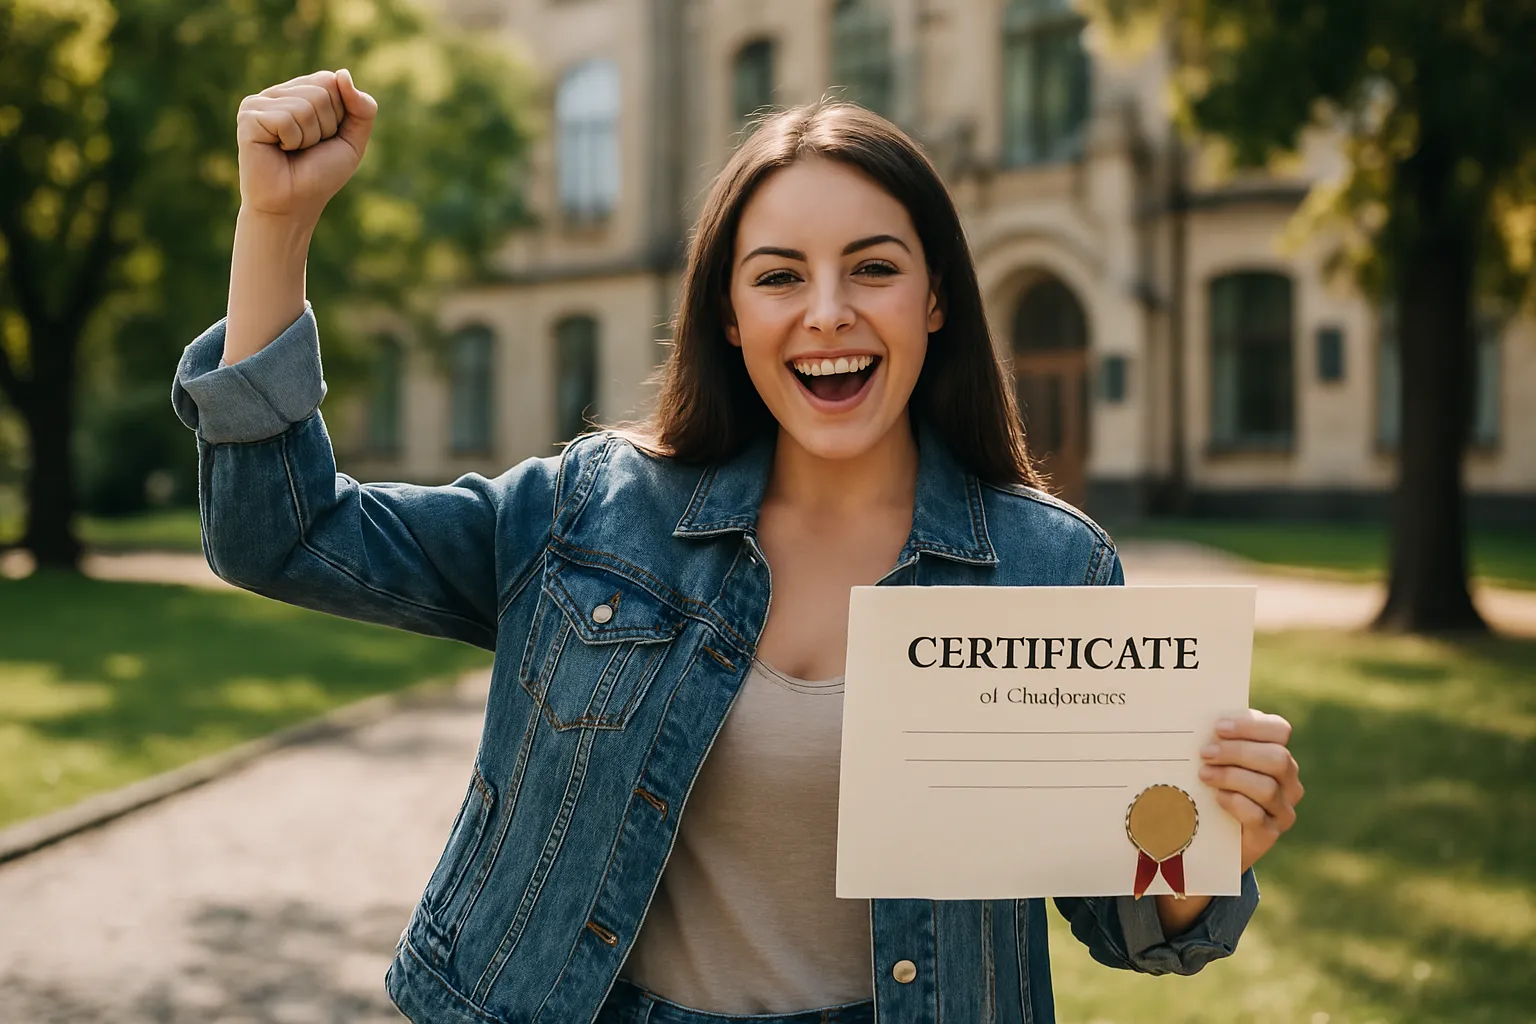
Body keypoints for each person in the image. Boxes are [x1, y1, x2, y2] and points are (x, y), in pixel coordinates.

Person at [172, 69, 1303, 1024]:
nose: (827, 313)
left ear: (935, 301)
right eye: (778, 276)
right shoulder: (591, 513)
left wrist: (1215, 849)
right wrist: (276, 227)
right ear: (728, 313)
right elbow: (288, 535)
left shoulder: (1052, 571)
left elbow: (1129, 924)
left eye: (873, 267)